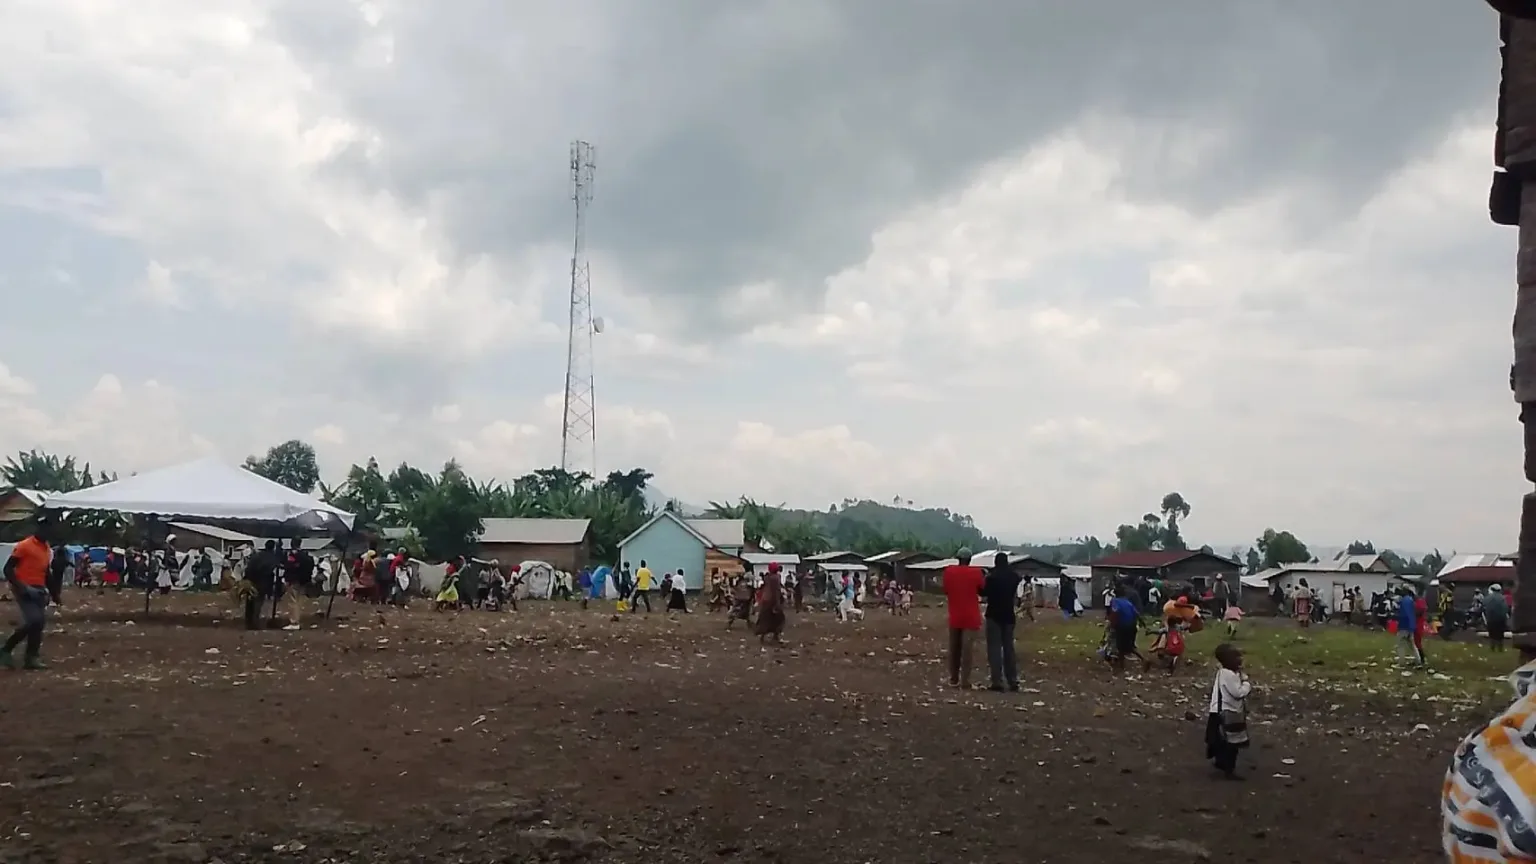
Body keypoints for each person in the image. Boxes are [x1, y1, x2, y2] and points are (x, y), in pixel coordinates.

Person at [2, 515, 61, 670]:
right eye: (45, 527)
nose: (48, 531)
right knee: (35, 620)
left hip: (39, 589)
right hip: (24, 588)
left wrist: (55, 594)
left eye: (50, 528)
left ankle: (31, 657)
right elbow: (8, 569)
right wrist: (22, 587)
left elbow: (47, 573)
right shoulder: (24, 546)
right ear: (39, 528)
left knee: (38, 624)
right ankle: (6, 649)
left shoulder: (47, 549)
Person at [1205, 643, 1252, 780]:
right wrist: (1246, 684)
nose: (1240, 659)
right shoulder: (1229, 675)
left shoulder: (1223, 672)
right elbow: (1237, 693)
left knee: (1219, 740)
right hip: (1227, 713)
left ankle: (1221, 763)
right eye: (1236, 656)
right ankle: (1228, 769)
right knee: (1232, 743)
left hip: (1218, 711)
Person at [941, 548, 986, 689]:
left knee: (954, 648)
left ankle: (953, 679)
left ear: (958, 558)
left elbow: (946, 590)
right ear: (970, 559)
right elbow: (982, 589)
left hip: (955, 616)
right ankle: (965, 681)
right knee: (967, 650)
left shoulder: (949, 572)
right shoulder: (977, 572)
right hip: (971, 617)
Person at [982, 552, 1023, 692]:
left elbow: (983, 592)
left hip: (993, 615)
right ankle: (1012, 680)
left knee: (994, 649)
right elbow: (1018, 579)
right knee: (1009, 649)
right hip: (1009, 615)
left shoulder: (991, 578)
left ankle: (997, 681)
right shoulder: (1014, 577)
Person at [243, 540, 281, 631]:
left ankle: (248, 621)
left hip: (252, 581)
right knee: (258, 602)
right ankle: (255, 623)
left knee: (250, 602)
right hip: (263, 582)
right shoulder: (272, 558)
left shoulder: (257, 555)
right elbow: (273, 570)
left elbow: (249, 568)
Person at [1107, 585, 1143, 673]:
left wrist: (1112, 624)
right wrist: (1142, 623)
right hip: (1132, 625)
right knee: (1129, 646)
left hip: (1122, 626)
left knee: (1120, 646)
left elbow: (1115, 612)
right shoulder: (1128, 602)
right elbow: (1136, 613)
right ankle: (1144, 659)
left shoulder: (1115, 601)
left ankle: (1121, 666)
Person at [282, 538, 316, 630]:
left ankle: (294, 622)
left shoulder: (292, 555)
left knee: (292, 601)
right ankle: (296, 620)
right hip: (303, 581)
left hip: (294, 581)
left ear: (291, 544)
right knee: (299, 601)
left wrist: (287, 579)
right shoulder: (306, 555)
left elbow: (289, 567)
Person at [753, 562, 786, 644]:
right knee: (780, 619)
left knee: (765, 619)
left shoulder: (767, 577)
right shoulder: (776, 578)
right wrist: (777, 603)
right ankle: (775, 637)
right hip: (772, 601)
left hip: (765, 600)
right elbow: (776, 591)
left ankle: (762, 637)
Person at [1395, 588, 1422, 666]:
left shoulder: (1404, 601)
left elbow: (1404, 614)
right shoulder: (1411, 601)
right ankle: (1418, 660)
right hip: (1411, 625)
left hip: (1404, 626)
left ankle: (1401, 662)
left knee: (1400, 645)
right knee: (1412, 644)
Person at [1485, 584, 1511, 652]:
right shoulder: (1502, 598)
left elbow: (1485, 607)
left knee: (1492, 634)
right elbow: (1506, 608)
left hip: (1491, 619)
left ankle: (1492, 648)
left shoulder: (1488, 597)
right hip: (1501, 619)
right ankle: (1500, 648)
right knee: (1500, 634)